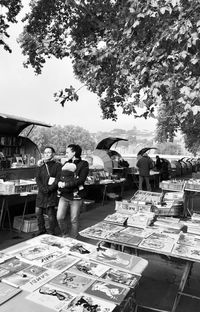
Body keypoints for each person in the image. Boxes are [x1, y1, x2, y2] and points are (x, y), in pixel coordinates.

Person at [57, 144, 89, 238]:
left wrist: (66, 184)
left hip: (76, 196)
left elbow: (80, 180)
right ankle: (65, 234)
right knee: (59, 217)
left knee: (74, 219)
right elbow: (60, 176)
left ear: (74, 152)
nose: (66, 154)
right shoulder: (66, 163)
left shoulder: (83, 164)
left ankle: (73, 238)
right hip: (64, 195)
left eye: (67, 152)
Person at [35, 146, 62, 236]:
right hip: (41, 193)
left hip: (51, 193)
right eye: (45, 152)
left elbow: (57, 179)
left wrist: (50, 189)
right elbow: (37, 178)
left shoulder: (57, 165)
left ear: (53, 154)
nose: (47, 154)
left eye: (49, 152)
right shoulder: (41, 165)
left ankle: (51, 231)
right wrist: (42, 189)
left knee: (50, 213)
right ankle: (41, 229)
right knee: (38, 212)